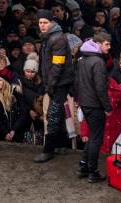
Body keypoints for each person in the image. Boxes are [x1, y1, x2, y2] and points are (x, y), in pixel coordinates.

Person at [35, 9, 75, 163]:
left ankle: (48, 150)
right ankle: (61, 145)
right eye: (40, 23)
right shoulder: (50, 37)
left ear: (51, 22)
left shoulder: (57, 38)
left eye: (45, 22)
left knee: (53, 114)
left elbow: (57, 65)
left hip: (59, 82)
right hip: (56, 81)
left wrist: (50, 85)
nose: (42, 25)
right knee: (57, 112)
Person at [73, 32, 113, 182]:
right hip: (95, 105)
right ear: (98, 43)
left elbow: (77, 82)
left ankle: (83, 167)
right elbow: (100, 88)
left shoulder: (82, 59)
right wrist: (108, 107)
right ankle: (93, 172)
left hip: (85, 103)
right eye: (106, 44)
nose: (109, 47)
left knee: (92, 137)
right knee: (96, 139)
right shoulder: (97, 62)